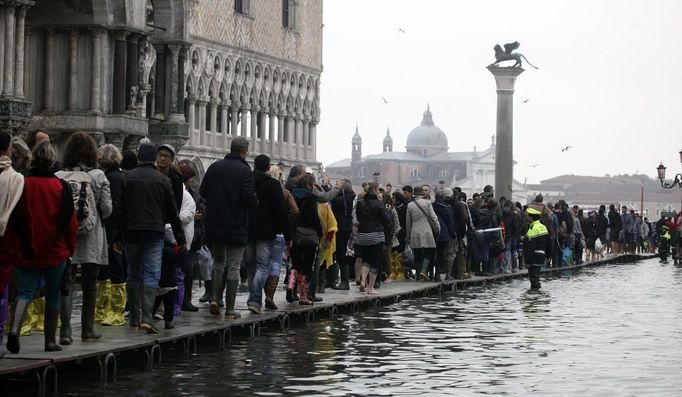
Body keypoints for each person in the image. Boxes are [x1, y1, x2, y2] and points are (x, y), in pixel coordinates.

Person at [7, 142, 77, 353]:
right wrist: (70, 248)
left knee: (25, 291)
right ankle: (49, 341)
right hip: (54, 250)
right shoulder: (60, 186)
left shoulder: (23, 183)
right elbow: (69, 222)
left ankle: (14, 330)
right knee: (53, 294)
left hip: (27, 249)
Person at [116, 143, 185, 334]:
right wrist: (180, 238)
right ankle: (147, 316)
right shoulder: (162, 180)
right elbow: (172, 212)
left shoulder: (127, 177)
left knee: (133, 273)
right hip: (154, 232)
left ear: (139, 157)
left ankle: (135, 316)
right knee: (152, 274)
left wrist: (117, 236)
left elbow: (119, 209)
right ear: (154, 158)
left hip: (131, 232)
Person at [56, 132, 112, 344]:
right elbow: (107, 210)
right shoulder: (98, 176)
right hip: (92, 236)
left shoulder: (60, 176)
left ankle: (65, 331)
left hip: (66, 237)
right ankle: (87, 330)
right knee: (90, 285)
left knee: (66, 283)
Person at [200, 137, 257, 319]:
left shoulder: (215, 167)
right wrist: (255, 200)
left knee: (218, 262)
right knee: (233, 266)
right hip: (236, 224)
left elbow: (203, 192)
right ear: (244, 151)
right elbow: (248, 198)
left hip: (216, 223)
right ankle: (230, 309)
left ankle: (215, 297)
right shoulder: (245, 171)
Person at [0, 132, 35, 359]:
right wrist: (29, 247)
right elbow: (23, 217)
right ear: (9, 150)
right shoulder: (14, 179)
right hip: (5, 243)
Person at [245, 155, 291, 314]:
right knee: (263, 267)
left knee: (251, 267)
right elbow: (281, 211)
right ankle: (255, 300)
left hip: (248, 230)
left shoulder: (247, 182)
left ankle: (253, 298)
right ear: (267, 167)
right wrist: (288, 234)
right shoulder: (273, 185)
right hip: (266, 231)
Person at [96, 144, 127, 326]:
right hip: (114, 232)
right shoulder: (119, 176)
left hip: (111, 233)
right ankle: (106, 309)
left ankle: (113, 311)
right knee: (108, 270)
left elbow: (114, 209)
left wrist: (114, 237)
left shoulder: (111, 178)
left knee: (111, 270)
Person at [289, 174, 323, 304]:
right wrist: (320, 232)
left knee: (295, 263)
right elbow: (314, 217)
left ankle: (291, 285)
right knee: (307, 266)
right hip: (309, 235)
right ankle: (303, 296)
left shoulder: (291, 194)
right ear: (310, 185)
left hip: (294, 234)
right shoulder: (311, 197)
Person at [353, 181, 392, 294]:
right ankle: (370, 288)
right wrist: (388, 234)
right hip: (376, 235)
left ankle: (363, 281)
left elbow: (358, 218)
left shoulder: (360, 203)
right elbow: (386, 221)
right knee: (375, 261)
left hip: (362, 235)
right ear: (375, 190)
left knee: (365, 259)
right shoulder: (379, 204)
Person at [406, 185, 439, 281]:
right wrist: (438, 228)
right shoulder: (427, 203)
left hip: (415, 231)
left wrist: (408, 236)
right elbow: (434, 218)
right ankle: (423, 271)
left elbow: (408, 222)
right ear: (421, 193)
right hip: (427, 231)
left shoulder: (410, 205)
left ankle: (417, 275)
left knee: (417, 254)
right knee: (429, 252)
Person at [330, 179, 356, 289]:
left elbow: (331, 199)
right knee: (339, 253)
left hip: (341, 228)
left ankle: (344, 282)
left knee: (340, 253)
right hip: (345, 227)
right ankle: (336, 280)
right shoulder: (351, 196)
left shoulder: (342, 198)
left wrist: (335, 189)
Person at [433, 190, 456, 281]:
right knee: (444, 254)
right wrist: (453, 233)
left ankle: (435, 274)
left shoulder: (431, 206)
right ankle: (446, 274)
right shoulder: (447, 208)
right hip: (444, 234)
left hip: (433, 233)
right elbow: (450, 222)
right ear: (443, 198)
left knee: (434, 254)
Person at [524, 207, 549, 289]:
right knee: (536, 278)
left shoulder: (533, 228)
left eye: (527, 215)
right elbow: (549, 242)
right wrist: (549, 255)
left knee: (534, 279)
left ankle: (535, 297)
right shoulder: (543, 227)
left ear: (531, 217)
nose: (526, 217)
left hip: (534, 256)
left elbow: (530, 247)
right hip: (541, 255)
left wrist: (527, 261)